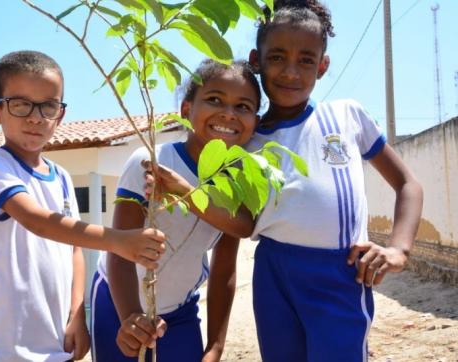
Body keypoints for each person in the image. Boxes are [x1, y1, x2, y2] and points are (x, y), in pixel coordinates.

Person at [244, 1, 423, 361]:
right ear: (256, 60)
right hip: (272, 273)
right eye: (277, 57)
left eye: (306, 60)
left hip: (340, 274)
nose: (291, 72)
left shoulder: (344, 116)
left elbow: (408, 185)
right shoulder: (247, 141)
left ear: (322, 66)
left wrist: (399, 249)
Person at [0, 50, 167, 361]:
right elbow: (37, 220)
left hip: (58, 339)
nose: (35, 117)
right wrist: (118, 241)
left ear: (59, 115)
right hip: (8, 343)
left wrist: (77, 314)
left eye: (48, 106)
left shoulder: (60, 176)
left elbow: (74, 249)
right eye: (20, 104)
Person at [90, 59, 261, 362]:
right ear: (186, 110)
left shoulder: (238, 184)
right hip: (117, 304)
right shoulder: (152, 162)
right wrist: (130, 316)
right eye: (214, 100)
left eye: (243, 106)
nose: (228, 113)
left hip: (180, 313)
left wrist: (216, 346)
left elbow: (224, 269)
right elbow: (121, 253)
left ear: (255, 123)